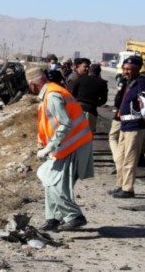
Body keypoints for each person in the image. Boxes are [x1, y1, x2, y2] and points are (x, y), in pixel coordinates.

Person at [26, 67, 94, 231]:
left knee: (53, 182)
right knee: (50, 181)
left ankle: (74, 216)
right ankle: (53, 219)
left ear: (34, 84)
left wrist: (48, 147)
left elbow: (65, 124)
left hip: (73, 145)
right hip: (65, 146)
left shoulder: (52, 96)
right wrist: (43, 146)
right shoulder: (49, 94)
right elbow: (48, 126)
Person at [111, 56, 145, 198]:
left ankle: (128, 189)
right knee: (121, 158)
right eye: (125, 68)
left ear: (138, 69)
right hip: (124, 125)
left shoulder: (142, 83)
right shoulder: (129, 82)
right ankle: (120, 185)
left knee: (130, 159)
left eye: (130, 69)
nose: (126, 71)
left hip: (134, 126)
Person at [69, 63, 108, 132]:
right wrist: (95, 103)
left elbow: (71, 94)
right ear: (99, 72)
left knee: (75, 134)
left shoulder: (80, 79)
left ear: (89, 71)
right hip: (91, 110)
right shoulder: (102, 83)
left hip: (77, 109)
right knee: (88, 135)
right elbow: (104, 99)